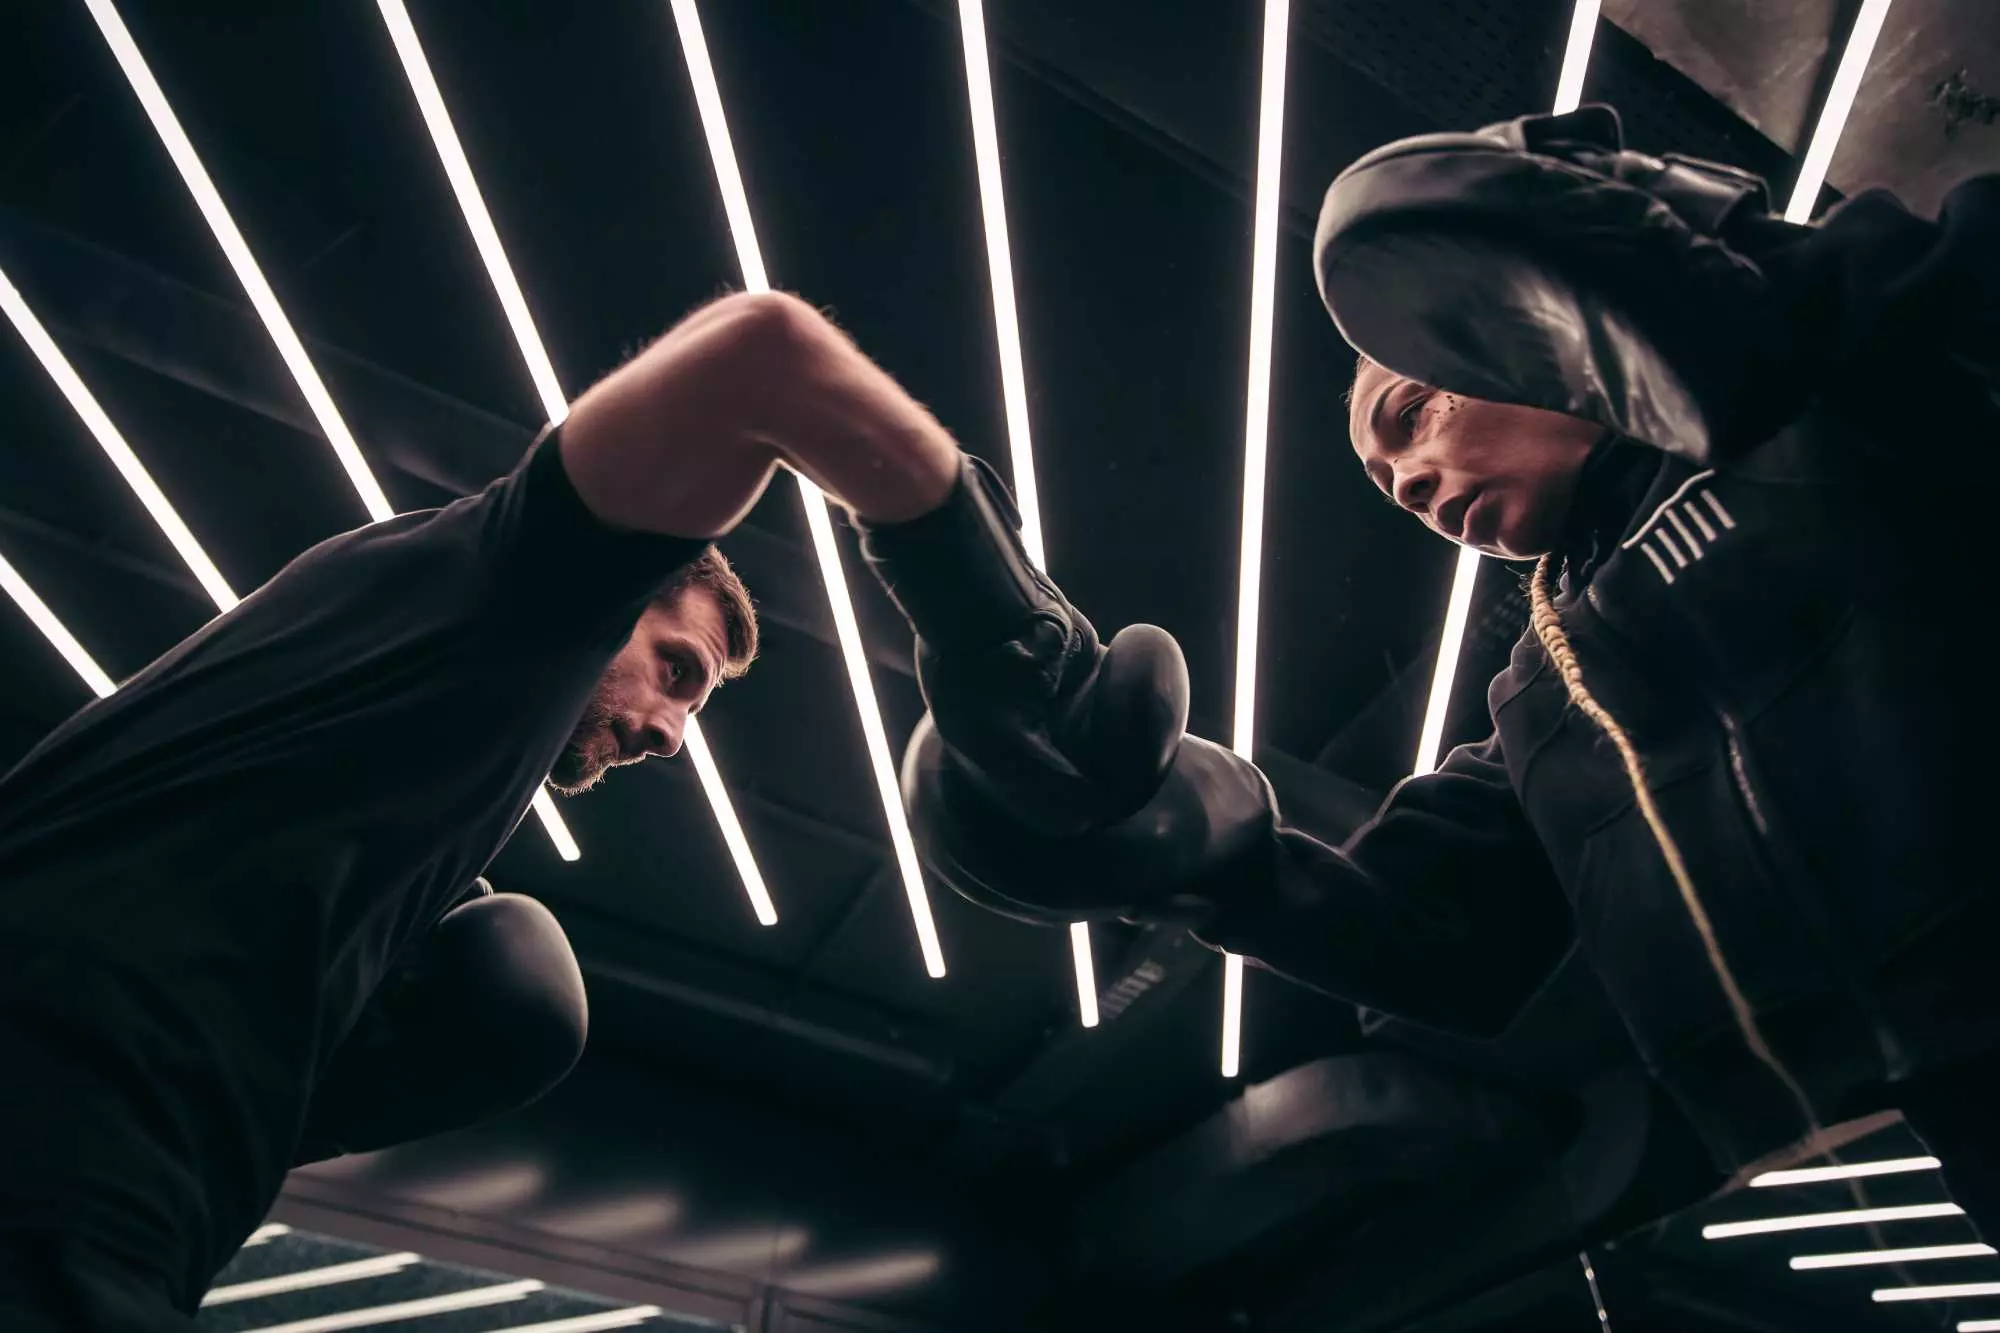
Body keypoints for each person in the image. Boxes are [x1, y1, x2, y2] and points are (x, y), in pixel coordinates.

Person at [904, 107, 2000, 1238]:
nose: (1413, 482)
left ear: (1518, 329)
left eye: (1414, 413)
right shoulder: (1544, 698)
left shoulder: (1831, 387)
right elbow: (1432, 936)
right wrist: (1179, 855)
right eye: (1387, 483)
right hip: (1916, 1105)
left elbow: (1954, 292)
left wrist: (1705, 257)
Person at [0, 289, 1177, 1329]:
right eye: (677, 670)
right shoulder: (502, 596)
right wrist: (1008, 632)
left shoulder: (385, 802)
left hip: (133, 1232)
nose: (670, 733)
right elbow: (758, 355)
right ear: (615, 591)